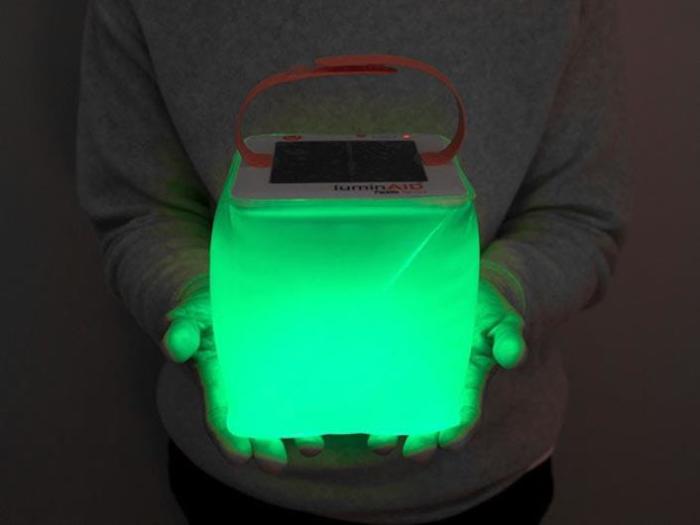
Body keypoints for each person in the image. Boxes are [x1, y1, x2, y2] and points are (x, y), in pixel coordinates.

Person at [75, 1, 630, 523]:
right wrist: (184, 287)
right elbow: (141, 208)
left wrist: (508, 289)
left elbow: (578, 213)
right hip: (233, 484)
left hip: (489, 482)